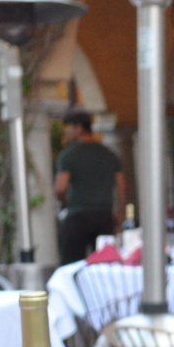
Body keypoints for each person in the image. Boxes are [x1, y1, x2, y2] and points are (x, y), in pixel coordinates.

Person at [53, 111, 125, 262]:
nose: (67, 132)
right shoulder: (109, 154)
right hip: (104, 216)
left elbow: (60, 188)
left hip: (77, 215)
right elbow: (121, 187)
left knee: (72, 264)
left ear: (78, 128)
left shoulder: (68, 155)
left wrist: (65, 202)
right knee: (105, 262)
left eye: (68, 127)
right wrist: (119, 212)